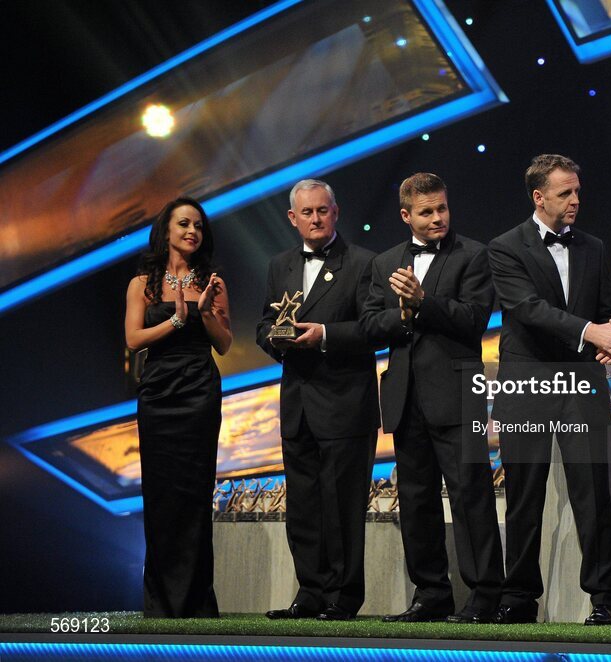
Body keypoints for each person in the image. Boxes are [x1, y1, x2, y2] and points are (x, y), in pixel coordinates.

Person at [486, 154, 611, 626]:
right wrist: (592, 333)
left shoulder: (593, 246)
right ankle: (519, 597)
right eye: (565, 192)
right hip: (527, 382)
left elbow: (607, 311)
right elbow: (528, 309)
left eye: (577, 191)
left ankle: (607, 600)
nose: (575, 200)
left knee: (592, 492)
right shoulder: (505, 247)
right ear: (539, 196)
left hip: (580, 384)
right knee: (525, 495)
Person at [361, 172, 504, 624]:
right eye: (427, 211)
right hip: (405, 398)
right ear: (406, 215)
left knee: (470, 497)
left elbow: (475, 319)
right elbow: (368, 324)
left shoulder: (474, 255)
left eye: (442, 208)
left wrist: (423, 302)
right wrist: (402, 317)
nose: (438, 217)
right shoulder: (384, 263)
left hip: (458, 394)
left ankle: (484, 596)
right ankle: (431, 595)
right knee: (416, 500)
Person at [257, 179, 379, 621]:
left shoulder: (364, 263)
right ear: (293, 218)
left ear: (336, 212)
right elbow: (265, 325)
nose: (314, 218)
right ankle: (309, 592)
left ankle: (343, 597)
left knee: (342, 507)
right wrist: (276, 339)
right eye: (306, 213)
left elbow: (375, 328)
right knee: (304, 508)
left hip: (346, 404)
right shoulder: (280, 265)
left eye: (321, 211)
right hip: (298, 407)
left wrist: (323, 335)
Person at [125, 197, 232, 618]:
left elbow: (223, 343)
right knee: (160, 493)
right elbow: (133, 340)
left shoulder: (213, 282)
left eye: (198, 226)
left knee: (194, 493)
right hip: (158, 392)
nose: (192, 231)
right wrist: (175, 320)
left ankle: (196, 602)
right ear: (166, 231)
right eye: (184, 224)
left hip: (198, 390)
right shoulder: (142, 284)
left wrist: (203, 314)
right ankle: (161, 603)